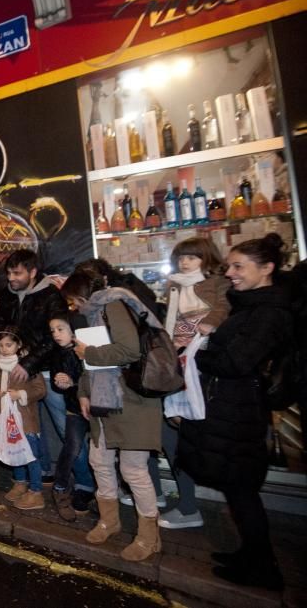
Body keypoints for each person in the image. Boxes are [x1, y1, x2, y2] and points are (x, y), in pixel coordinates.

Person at [177, 234, 291, 591]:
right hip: (230, 406)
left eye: (239, 266)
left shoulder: (269, 311)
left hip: (241, 410)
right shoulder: (250, 305)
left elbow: (236, 360)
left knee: (242, 490)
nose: (231, 273)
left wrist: (201, 349)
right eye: (229, 265)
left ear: (267, 268)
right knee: (237, 489)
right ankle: (250, 555)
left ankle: (264, 569)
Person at [62, 272, 163, 562]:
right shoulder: (95, 313)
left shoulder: (114, 306)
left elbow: (129, 350)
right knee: (100, 460)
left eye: (73, 301)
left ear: (83, 296)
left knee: (133, 470)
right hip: (103, 400)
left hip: (131, 401)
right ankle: (110, 520)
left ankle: (148, 536)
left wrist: (88, 352)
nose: (73, 308)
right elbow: (89, 366)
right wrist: (83, 392)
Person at [152, 238, 230, 531]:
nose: (185, 263)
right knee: (173, 437)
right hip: (178, 362)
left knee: (188, 435)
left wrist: (209, 323)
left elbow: (223, 310)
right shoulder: (174, 285)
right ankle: (187, 504)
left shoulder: (218, 284)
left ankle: (189, 505)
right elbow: (169, 323)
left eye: (192, 258)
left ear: (206, 259)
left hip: (202, 367)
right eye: (181, 258)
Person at [0, 249, 68, 484]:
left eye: (17, 273)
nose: (11, 278)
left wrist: (29, 364)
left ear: (33, 272)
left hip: (48, 370)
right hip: (16, 371)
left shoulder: (51, 295)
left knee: (63, 427)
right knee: (29, 425)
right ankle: (41, 473)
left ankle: (83, 481)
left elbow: (55, 336)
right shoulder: (7, 294)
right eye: (9, 273)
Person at [0, 326, 47, 510]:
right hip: (6, 421)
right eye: (0, 345)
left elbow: (40, 390)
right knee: (14, 453)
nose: (4, 349)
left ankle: (36, 491)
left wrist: (21, 393)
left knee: (30, 456)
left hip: (25, 421)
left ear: (18, 345)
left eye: (8, 345)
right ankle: (20, 483)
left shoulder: (27, 366)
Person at [45, 312, 95, 521]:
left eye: (60, 329)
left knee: (101, 452)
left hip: (96, 408)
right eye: (53, 331)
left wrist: (72, 382)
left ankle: (103, 492)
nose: (56, 334)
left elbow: (94, 377)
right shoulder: (56, 354)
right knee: (72, 446)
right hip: (74, 408)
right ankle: (60, 488)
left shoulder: (88, 349)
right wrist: (62, 383)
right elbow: (61, 381)